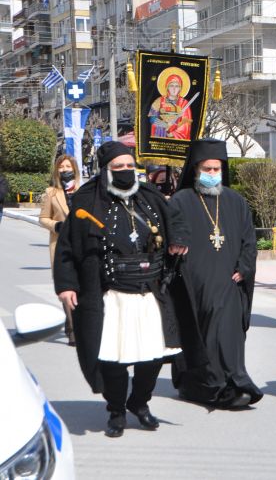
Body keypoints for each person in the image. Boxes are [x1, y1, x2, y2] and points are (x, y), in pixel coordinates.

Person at [53, 141, 193, 438]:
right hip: (109, 294)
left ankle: (139, 403)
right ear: (106, 171)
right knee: (112, 358)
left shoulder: (149, 197)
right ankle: (116, 410)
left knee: (153, 356)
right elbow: (66, 248)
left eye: (131, 166)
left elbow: (175, 222)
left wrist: (178, 239)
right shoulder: (85, 201)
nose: (127, 172)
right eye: (119, 167)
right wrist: (66, 285)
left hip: (150, 292)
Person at [170, 139, 262, 409]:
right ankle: (202, 385)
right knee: (200, 333)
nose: (212, 174)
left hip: (229, 279)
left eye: (217, 168)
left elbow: (249, 241)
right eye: (207, 169)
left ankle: (233, 382)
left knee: (228, 331)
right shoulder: (181, 200)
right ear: (195, 170)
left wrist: (244, 268)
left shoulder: (235, 202)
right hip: (193, 282)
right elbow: (172, 234)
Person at [39, 154, 82, 345]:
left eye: (68, 166)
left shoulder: (84, 191)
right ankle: (73, 330)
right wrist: (57, 226)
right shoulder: (51, 193)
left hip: (81, 244)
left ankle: (71, 320)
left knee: (81, 285)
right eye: (61, 167)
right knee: (66, 285)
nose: (65, 169)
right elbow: (43, 218)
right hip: (60, 245)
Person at [149, 73, 192, 140]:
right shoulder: (159, 101)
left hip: (176, 134)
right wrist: (164, 125)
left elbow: (186, 122)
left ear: (180, 88)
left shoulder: (184, 103)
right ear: (167, 87)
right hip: (160, 133)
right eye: (171, 86)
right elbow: (152, 118)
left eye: (177, 86)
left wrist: (174, 133)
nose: (174, 89)